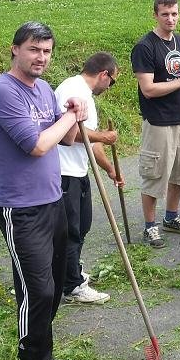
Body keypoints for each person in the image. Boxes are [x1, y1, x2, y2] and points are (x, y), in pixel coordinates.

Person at [0, 21, 86, 360]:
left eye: (47, 51)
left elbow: (66, 139)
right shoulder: (2, 92)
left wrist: (75, 114)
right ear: (15, 49)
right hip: (21, 209)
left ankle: (43, 352)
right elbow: (37, 145)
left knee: (53, 288)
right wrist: (68, 117)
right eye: (34, 49)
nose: (41, 57)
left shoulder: (43, 89)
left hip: (53, 200)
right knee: (36, 290)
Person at [130, 0, 180, 248]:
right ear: (155, 15)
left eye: (174, 14)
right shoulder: (145, 47)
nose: (171, 19)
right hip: (159, 122)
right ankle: (150, 226)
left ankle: (171, 217)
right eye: (165, 14)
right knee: (155, 175)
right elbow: (148, 89)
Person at [55, 52, 121, 305]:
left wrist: (110, 169)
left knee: (82, 225)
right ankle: (72, 286)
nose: (110, 87)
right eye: (112, 81)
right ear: (104, 74)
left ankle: (71, 272)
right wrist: (103, 136)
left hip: (78, 171)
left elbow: (91, 141)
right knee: (70, 230)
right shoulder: (73, 90)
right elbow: (70, 133)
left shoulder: (85, 95)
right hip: (64, 172)